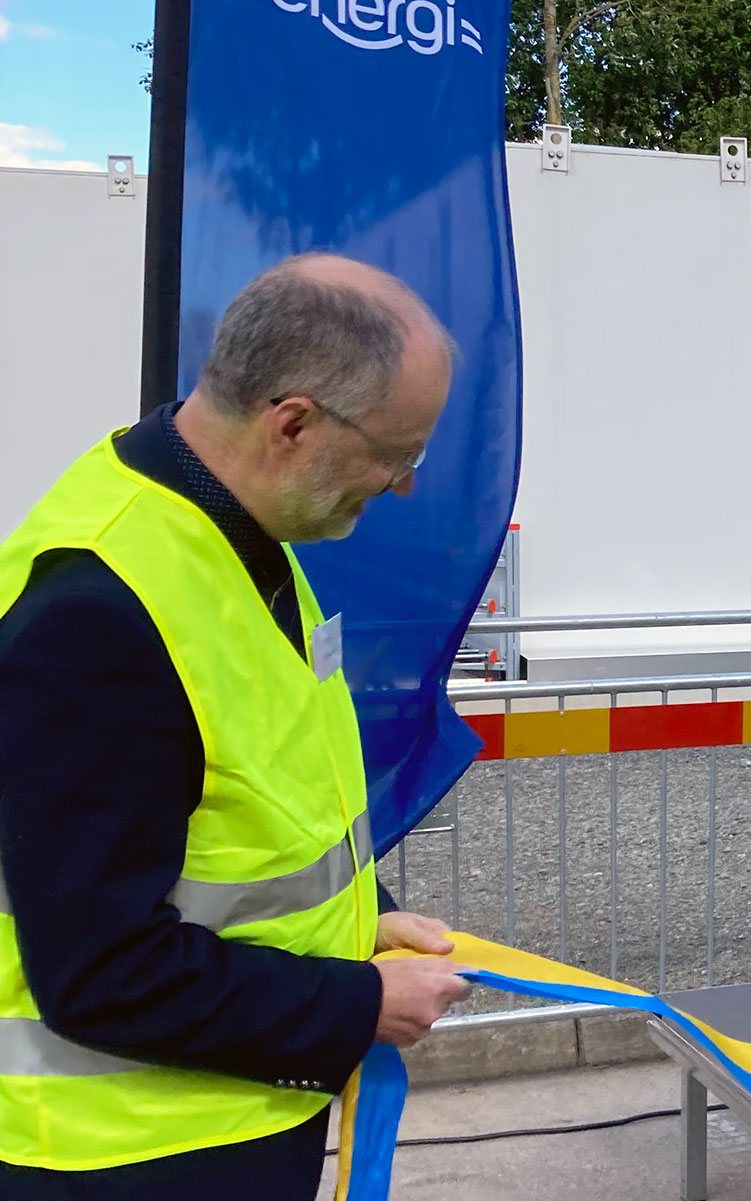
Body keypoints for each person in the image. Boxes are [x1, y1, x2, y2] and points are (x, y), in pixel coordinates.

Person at [0, 254, 475, 1198]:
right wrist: (357, 1003)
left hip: (220, 1116)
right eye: (398, 454)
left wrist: (358, 918)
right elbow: (102, 970)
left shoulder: (235, 526)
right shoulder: (100, 611)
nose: (401, 485)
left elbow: (255, 813)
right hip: (126, 1157)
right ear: (291, 423)